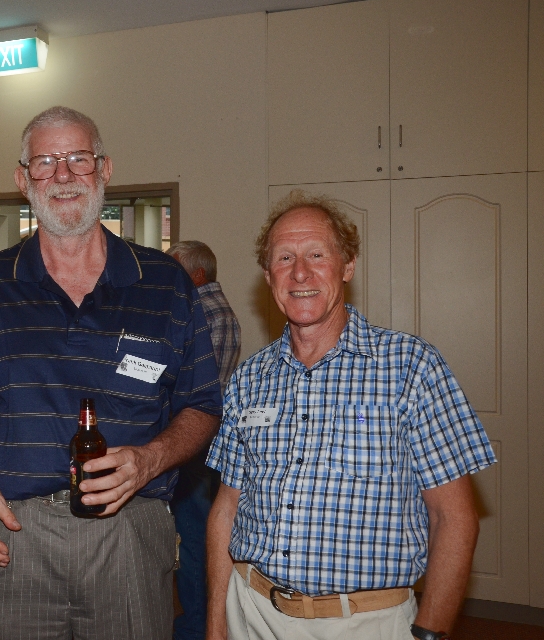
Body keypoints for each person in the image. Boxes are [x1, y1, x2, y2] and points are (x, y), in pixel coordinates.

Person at [0, 106, 223, 640]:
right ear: (23, 179)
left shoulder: (165, 283)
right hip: (10, 533)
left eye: (78, 159)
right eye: (45, 162)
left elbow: (203, 405)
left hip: (129, 530)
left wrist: (150, 459)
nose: (63, 175)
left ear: (105, 169)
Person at [205, 190, 496, 640]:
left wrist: (430, 633)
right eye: (285, 258)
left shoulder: (411, 367)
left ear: (347, 266)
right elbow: (227, 509)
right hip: (252, 613)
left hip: (366, 623)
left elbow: (453, 518)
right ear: (268, 276)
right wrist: (216, 624)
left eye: (317, 254)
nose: (300, 272)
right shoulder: (249, 378)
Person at [164, 240, 241, 640]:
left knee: (194, 539)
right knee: (195, 536)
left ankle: (195, 626)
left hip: (195, 444)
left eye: (174, 268)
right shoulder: (213, 310)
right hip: (203, 442)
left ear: (196, 274)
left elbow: (182, 386)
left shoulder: (203, 313)